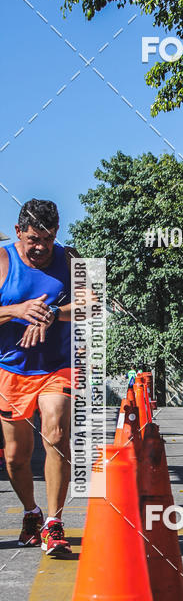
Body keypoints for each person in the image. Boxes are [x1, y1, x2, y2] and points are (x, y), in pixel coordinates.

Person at [0, 199, 78, 557]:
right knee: (16, 457)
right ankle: (32, 513)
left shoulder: (71, 258)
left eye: (47, 239)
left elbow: (93, 303)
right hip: (12, 370)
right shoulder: (3, 261)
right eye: (33, 239)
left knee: (56, 431)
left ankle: (54, 522)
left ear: (56, 234)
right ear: (19, 233)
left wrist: (53, 313)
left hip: (57, 367)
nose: (41, 247)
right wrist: (16, 310)